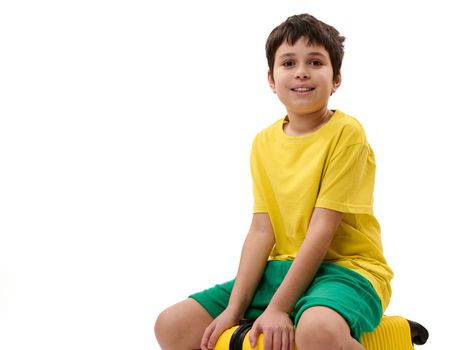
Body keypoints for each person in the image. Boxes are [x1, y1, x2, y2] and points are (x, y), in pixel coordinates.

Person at [154, 13, 394, 350]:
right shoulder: (263, 143)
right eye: (288, 62)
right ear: (271, 78)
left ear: (336, 78)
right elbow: (261, 231)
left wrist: (279, 307)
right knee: (172, 326)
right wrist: (233, 310)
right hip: (282, 268)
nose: (301, 71)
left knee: (317, 332)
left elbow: (322, 230)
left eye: (315, 62)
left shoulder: (346, 133)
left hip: (347, 271)